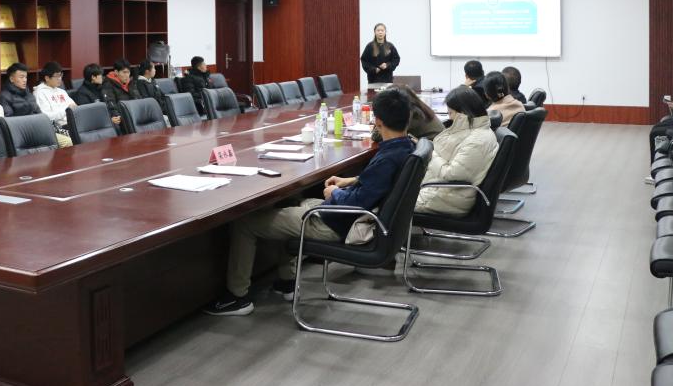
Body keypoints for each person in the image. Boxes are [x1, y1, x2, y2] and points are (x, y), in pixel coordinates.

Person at [204, 86, 415, 316]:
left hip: (335, 223)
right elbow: (376, 184)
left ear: (378, 121)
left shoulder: (387, 159)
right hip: (343, 217)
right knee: (289, 202)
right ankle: (287, 282)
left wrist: (335, 193)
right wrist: (350, 180)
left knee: (245, 223)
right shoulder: (405, 148)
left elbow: (357, 203)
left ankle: (237, 298)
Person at [415, 85, 499, 216]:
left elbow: (451, 174)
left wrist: (430, 153)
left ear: (463, 113)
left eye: (450, 113)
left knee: (389, 203)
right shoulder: (474, 132)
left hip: (445, 199)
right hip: (441, 192)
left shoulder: (476, 141)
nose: (450, 118)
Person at [371, 84, 444, 143]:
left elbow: (376, 136)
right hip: (434, 147)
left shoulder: (410, 112)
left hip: (433, 149)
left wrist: (380, 116)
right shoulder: (418, 108)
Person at [32, 61, 76, 147]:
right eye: (57, 76)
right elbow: (46, 117)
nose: (60, 79)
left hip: (71, 124)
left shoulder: (61, 91)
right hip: (57, 128)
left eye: (61, 75)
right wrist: (66, 111)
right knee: (73, 140)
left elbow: (75, 107)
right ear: (47, 78)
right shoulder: (40, 93)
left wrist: (71, 109)